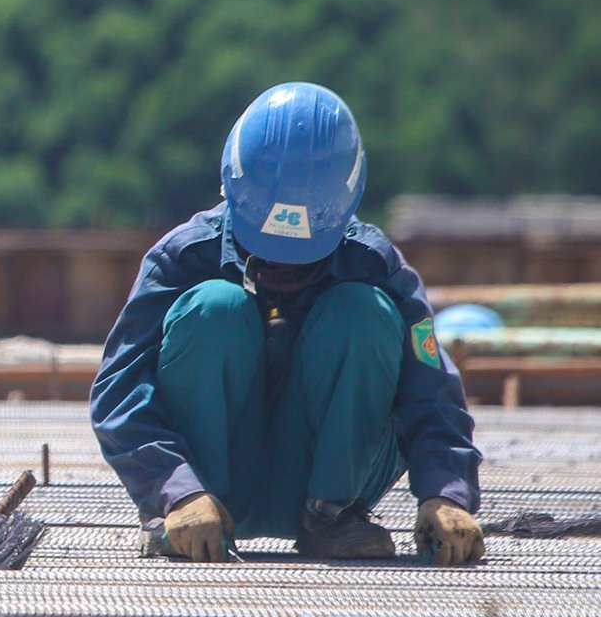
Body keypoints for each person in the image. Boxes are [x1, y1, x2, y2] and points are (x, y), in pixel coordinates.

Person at [89, 83, 484, 565]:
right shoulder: (182, 258)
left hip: (329, 483)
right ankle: (198, 509)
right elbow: (119, 389)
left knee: (365, 312)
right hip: (204, 498)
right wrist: (174, 490)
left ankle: (334, 514)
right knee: (214, 308)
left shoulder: (376, 266)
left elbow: (432, 391)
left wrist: (446, 492)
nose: (284, 269)